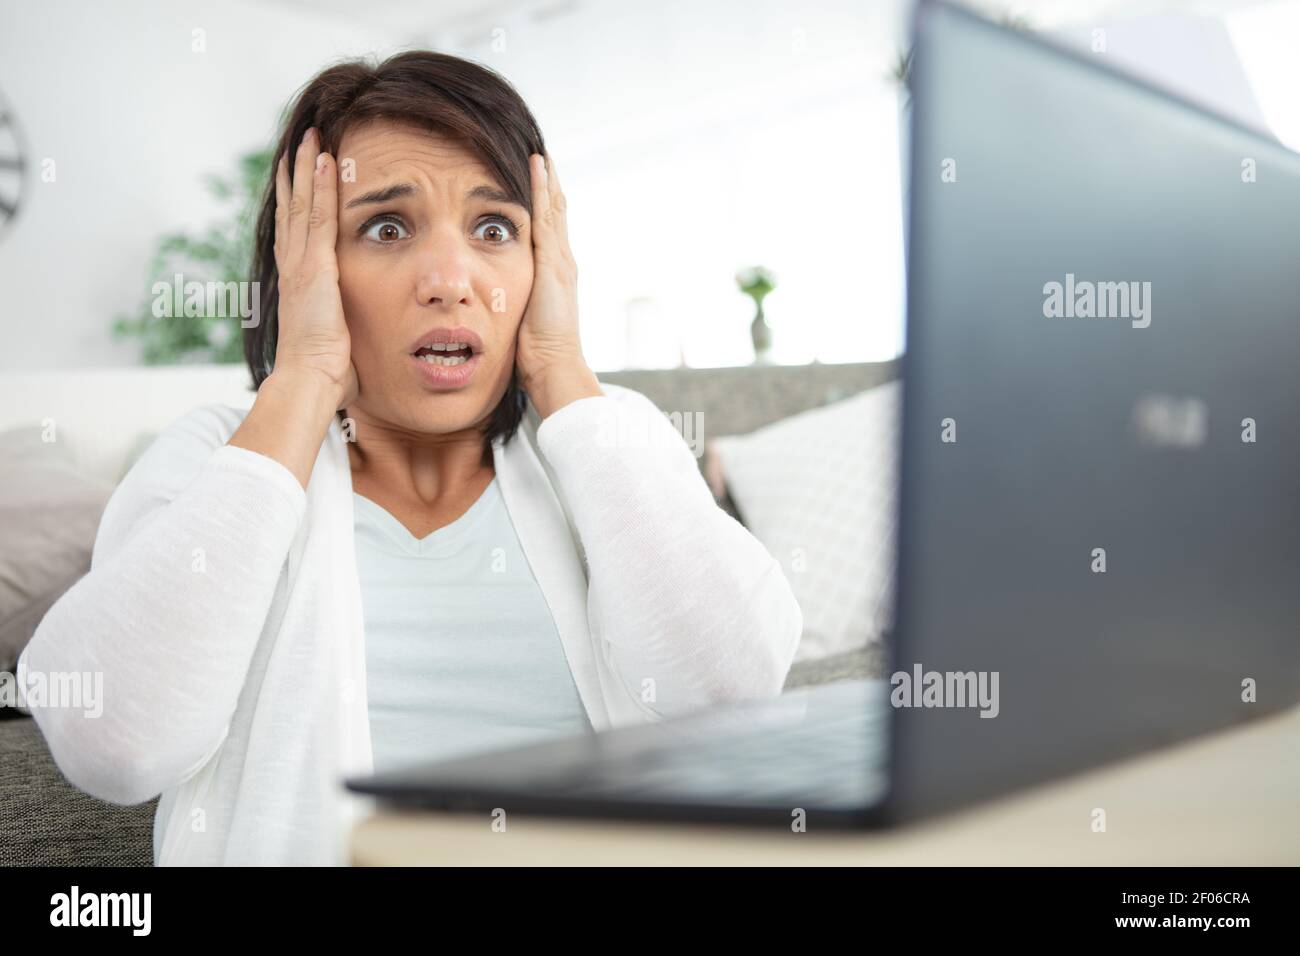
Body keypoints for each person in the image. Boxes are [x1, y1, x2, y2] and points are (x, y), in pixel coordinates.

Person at [18, 51, 803, 866]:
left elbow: (732, 690)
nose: (452, 279)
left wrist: (562, 367)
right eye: (386, 228)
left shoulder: (607, 435)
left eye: (494, 229)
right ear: (304, 266)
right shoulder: (218, 456)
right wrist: (303, 379)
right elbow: (113, 742)